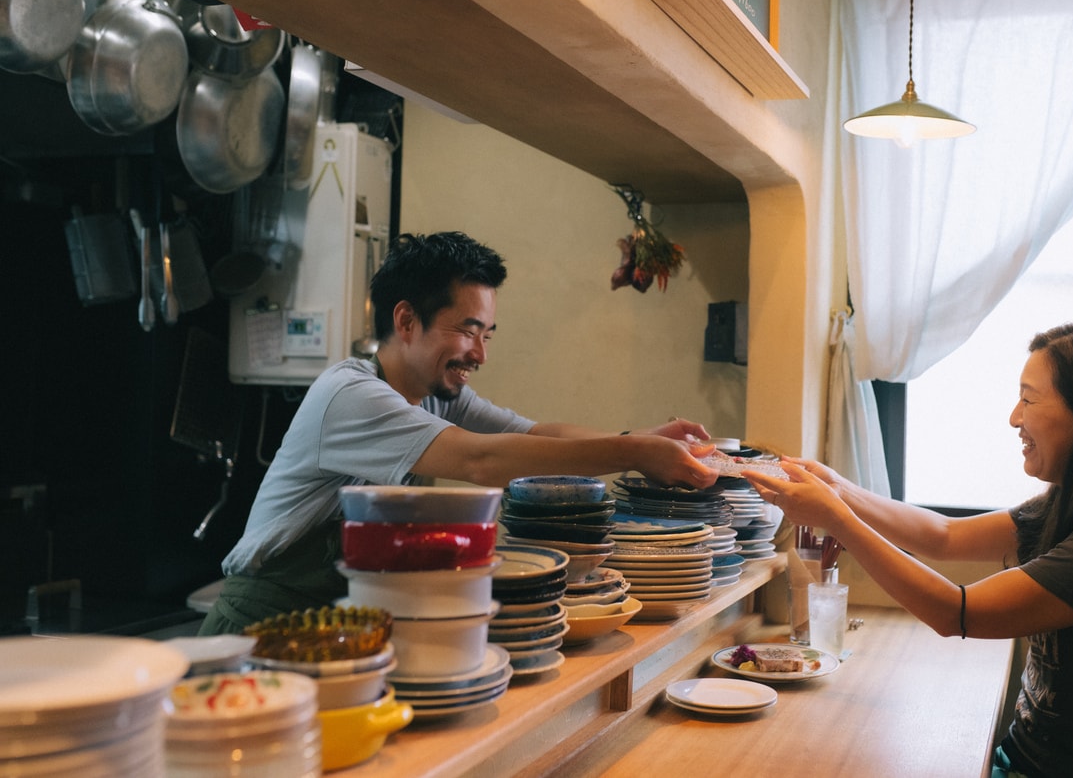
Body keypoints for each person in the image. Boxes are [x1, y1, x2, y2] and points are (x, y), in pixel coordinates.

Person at [742, 323, 1073, 778]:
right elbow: (943, 535)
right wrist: (838, 487)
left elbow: (957, 612)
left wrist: (836, 517)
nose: (1013, 418)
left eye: (1029, 400)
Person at [200, 231, 718, 635]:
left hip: (338, 627)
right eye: (468, 330)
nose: (481, 353)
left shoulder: (434, 394)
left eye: (486, 334)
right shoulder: (351, 395)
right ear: (406, 321)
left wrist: (642, 439)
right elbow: (481, 462)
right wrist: (635, 452)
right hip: (260, 627)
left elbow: (535, 436)